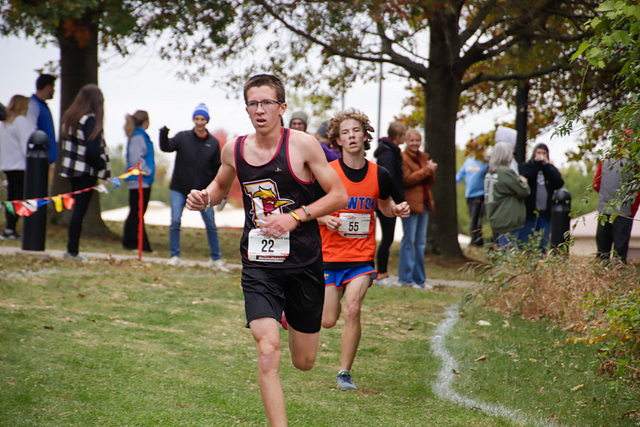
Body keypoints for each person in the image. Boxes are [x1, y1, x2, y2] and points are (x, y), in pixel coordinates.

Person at [186, 74, 348, 427]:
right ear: (246, 109)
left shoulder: (303, 145)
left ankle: (287, 314)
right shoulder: (234, 149)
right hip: (259, 264)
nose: (259, 110)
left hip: (304, 262)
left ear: (282, 107)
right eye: (253, 103)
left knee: (304, 362)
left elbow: (339, 195)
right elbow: (219, 186)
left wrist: (295, 217)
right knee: (267, 351)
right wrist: (204, 198)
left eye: (267, 103)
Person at [318, 109, 410, 390]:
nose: (351, 136)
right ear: (338, 140)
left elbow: (384, 205)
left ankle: (344, 373)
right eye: (345, 132)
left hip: (360, 257)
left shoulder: (379, 174)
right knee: (328, 320)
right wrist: (325, 218)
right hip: (329, 256)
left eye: (356, 130)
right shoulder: (327, 172)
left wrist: (395, 209)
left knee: (353, 308)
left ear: (365, 135)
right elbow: (309, 209)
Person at [159, 103, 228, 271]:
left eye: (202, 119)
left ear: (207, 121)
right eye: (197, 118)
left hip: (203, 192)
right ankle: (174, 256)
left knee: (210, 224)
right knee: (175, 221)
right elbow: (166, 147)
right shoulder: (182, 137)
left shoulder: (213, 142)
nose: (199, 122)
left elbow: (217, 169)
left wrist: (222, 193)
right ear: (193, 120)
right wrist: (163, 134)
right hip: (179, 188)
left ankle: (215, 259)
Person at [60, 84, 111, 261]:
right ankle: (72, 251)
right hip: (86, 172)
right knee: (79, 212)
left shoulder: (70, 117)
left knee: (77, 210)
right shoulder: (89, 120)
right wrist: (101, 164)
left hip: (72, 170)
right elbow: (92, 150)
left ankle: (71, 249)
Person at [398, 129, 437, 288]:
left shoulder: (423, 157)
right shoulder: (403, 157)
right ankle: (405, 279)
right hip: (410, 205)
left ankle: (419, 280)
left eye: (417, 140)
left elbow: (430, 182)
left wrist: (431, 171)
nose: (415, 143)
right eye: (412, 140)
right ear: (407, 141)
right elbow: (407, 179)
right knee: (409, 241)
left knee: (420, 243)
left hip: (424, 204)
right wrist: (427, 170)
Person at [372, 121, 406, 284]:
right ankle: (381, 273)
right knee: (387, 238)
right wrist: (398, 198)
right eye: (404, 135)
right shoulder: (387, 153)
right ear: (398, 136)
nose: (404, 138)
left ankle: (382, 272)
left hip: (387, 199)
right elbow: (388, 176)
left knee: (387, 237)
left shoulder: (390, 150)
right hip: (386, 200)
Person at [518, 143, 564, 251]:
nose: (541, 155)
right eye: (538, 153)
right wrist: (536, 164)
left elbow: (559, 183)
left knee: (542, 244)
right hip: (529, 213)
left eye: (544, 153)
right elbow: (526, 176)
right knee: (525, 244)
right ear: (534, 154)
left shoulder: (550, 169)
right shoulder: (526, 166)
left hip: (545, 214)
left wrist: (546, 167)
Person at [593, 157, 640, 263]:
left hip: (605, 210)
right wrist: (632, 210)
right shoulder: (634, 164)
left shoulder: (605, 162)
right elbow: (637, 191)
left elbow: (596, 184)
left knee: (602, 250)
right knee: (620, 251)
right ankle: (618, 269)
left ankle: (601, 269)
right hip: (624, 212)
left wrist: (606, 198)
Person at [484, 142, 530, 251]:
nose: (512, 157)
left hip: (496, 218)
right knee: (508, 254)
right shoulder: (505, 172)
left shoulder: (490, 172)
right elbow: (524, 190)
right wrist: (524, 181)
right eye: (511, 154)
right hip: (508, 220)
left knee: (502, 252)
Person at [0, 95, 33, 240]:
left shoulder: (5, 123)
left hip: (7, 164)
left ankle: (9, 226)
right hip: (20, 165)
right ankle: (12, 227)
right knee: (19, 197)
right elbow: (27, 145)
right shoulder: (21, 121)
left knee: (12, 197)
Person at [122, 110, 155, 252]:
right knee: (137, 212)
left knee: (137, 212)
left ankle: (138, 243)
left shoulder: (140, 136)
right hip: (140, 180)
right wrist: (148, 171)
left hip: (141, 180)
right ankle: (133, 243)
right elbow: (135, 159)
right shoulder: (138, 137)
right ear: (145, 121)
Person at [456, 153, 488, 247]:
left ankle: (475, 240)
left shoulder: (486, 162)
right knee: (473, 217)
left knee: (475, 217)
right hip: (469, 194)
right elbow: (460, 174)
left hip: (480, 194)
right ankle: (478, 240)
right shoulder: (468, 161)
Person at [27, 74, 58, 164]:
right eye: (53, 87)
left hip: (45, 158)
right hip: (38, 159)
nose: (54, 90)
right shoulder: (33, 106)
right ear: (47, 87)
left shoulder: (43, 106)